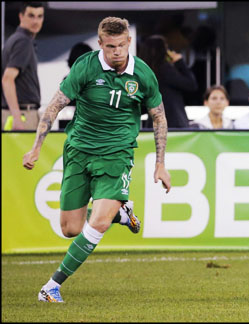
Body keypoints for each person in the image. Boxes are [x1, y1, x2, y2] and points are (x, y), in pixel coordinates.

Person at [22, 16, 172, 303]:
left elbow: (159, 117)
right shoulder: (86, 66)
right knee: (71, 229)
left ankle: (52, 286)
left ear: (130, 42)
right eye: (110, 46)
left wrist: (160, 163)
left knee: (98, 224)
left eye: (121, 45)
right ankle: (120, 213)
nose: (117, 52)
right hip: (79, 150)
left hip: (117, 154)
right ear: (100, 44)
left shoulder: (143, 74)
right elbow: (55, 105)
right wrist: (36, 147)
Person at [138, 34, 198, 128]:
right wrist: (180, 62)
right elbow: (191, 84)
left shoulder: (145, 73)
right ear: (162, 51)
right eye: (167, 48)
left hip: (155, 125)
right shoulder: (165, 70)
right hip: (174, 124)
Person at [1, 2, 44, 131]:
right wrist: (17, 118)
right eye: (31, 15)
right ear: (21, 16)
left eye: (40, 16)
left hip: (17, 113)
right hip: (22, 115)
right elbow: (7, 79)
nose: (36, 21)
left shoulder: (16, 39)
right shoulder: (23, 42)